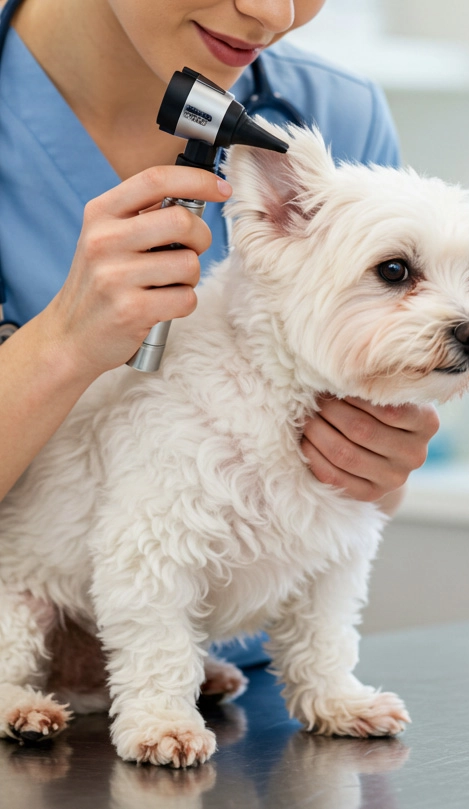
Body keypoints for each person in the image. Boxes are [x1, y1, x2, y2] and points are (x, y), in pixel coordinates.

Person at [0, 0, 439, 663]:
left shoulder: (334, 113)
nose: (272, 12)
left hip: (233, 694)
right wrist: (62, 342)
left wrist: (377, 464)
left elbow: (350, 503)